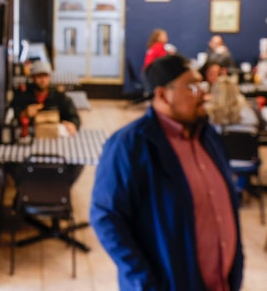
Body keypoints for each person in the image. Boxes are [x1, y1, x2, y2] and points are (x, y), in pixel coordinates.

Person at [90, 54, 243, 290]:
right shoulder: (130, 145)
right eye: (192, 87)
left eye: (202, 84)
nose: (203, 93)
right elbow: (106, 216)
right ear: (162, 94)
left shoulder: (209, 137)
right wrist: (143, 280)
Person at [11, 59, 80, 136]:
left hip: (54, 137)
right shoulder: (23, 95)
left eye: (45, 76)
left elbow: (74, 116)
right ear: (32, 78)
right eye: (39, 76)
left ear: (50, 77)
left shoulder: (59, 97)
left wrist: (73, 124)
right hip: (31, 137)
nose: (43, 80)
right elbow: (11, 116)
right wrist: (24, 113)